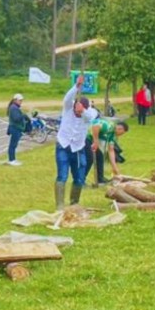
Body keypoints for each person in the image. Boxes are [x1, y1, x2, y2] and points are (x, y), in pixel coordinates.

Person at [54, 74, 93, 210]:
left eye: (81, 110)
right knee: (62, 175)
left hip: (78, 148)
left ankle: (74, 203)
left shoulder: (88, 114)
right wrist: (77, 86)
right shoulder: (68, 108)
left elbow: (90, 116)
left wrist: (83, 111)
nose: (77, 111)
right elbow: (67, 98)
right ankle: (59, 205)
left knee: (79, 178)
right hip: (63, 146)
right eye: (77, 108)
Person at [85, 119, 129, 185]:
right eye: (122, 133)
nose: (120, 135)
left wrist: (115, 168)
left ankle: (100, 179)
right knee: (90, 158)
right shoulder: (109, 126)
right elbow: (95, 126)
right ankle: (81, 180)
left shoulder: (113, 136)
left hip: (92, 141)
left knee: (100, 157)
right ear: (120, 129)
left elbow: (111, 150)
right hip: (85, 138)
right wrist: (96, 141)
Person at [5, 93, 27, 165]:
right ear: (15, 100)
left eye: (21, 100)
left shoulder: (15, 107)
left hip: (16, 128)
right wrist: (23, 116)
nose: (21, 102)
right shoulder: (14, 108)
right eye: (20, 100)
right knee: (13, 145)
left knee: (14, 145)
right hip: (15, 128)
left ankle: (13, 159)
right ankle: (12, 160)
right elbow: (16, 118)